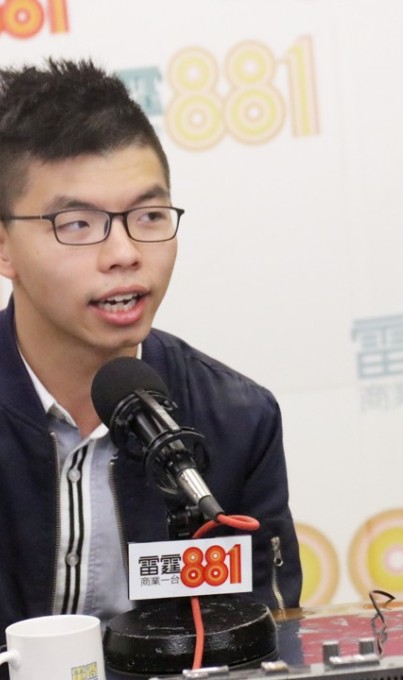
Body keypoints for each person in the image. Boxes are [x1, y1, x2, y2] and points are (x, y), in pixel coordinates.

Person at [0, 58, 302, 635]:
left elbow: (261, 638)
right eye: (78, 224)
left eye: (149, 215)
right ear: (4, 247)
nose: (124, 254)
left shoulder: (237, 420)